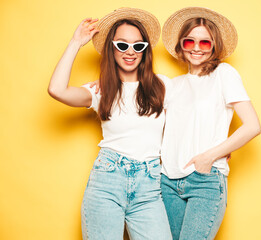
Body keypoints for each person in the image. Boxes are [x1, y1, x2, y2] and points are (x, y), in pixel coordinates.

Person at [48, 8, 172, 240]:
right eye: (122, 45)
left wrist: (216, 150)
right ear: (112, 48)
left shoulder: (163, 86)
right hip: (108, 180)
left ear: (145, 51)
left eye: (138, 46)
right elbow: (56, 90)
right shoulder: (100, 90)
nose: (130, 52)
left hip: (149, 186)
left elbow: (190, 119)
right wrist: (76, 42)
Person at [160, 7, 261, 240]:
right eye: (190, 41)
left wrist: (210, 156)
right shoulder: (173, 85)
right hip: (168, 181)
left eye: (205, 43)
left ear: (214, 46)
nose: (196, 48)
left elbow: (252, 125)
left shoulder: (224, 74)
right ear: (181, 44)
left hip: (203, 180)